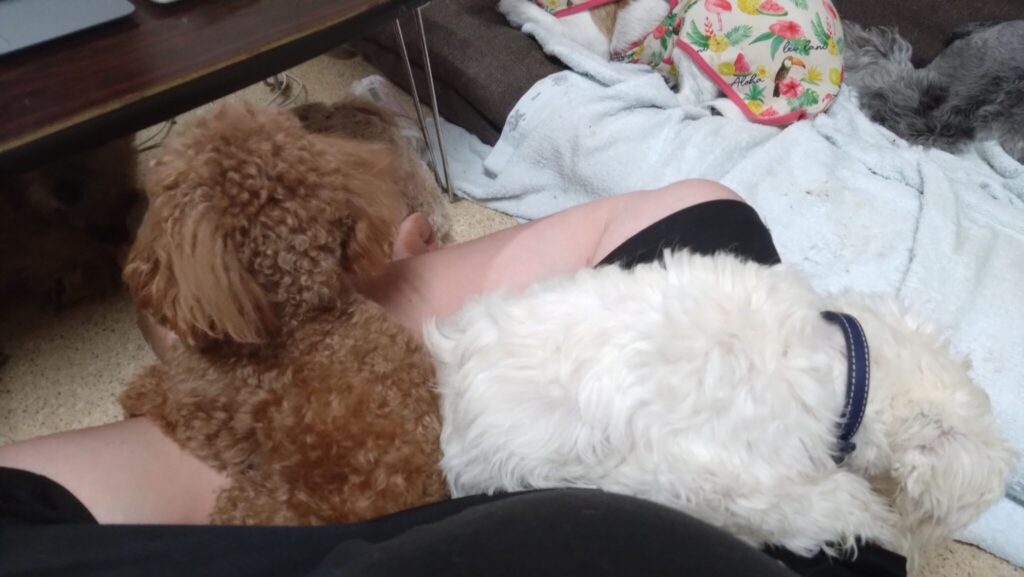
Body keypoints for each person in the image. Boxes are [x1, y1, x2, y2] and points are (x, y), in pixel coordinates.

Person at [0, 181, 903, 577]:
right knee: (697, 214)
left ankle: (237, 348)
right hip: (793, 531)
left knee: (698, 211)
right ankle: (291, 331)